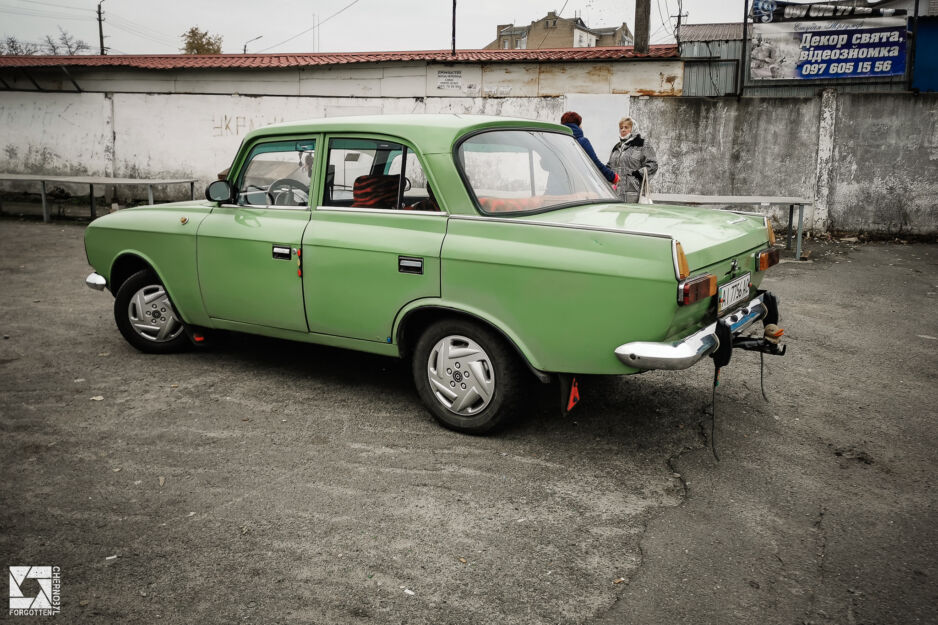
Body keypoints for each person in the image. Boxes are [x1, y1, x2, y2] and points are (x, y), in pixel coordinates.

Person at [560, 111, 619, 188]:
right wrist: (613, 177)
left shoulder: (557, 141)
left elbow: (545, 164)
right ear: (578, 125)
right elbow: (594, 163)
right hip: (575, 186)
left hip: (557, 185)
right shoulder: (582, 141)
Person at [607, 116, 658, 203]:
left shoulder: (642, 145)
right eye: (621, 128)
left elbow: (653, 164)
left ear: (633, 128)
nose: (623, 130)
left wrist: (638, 174)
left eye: (626, 127)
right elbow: (609, 166)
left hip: (634, 192)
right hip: (615, 192)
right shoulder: (617, 147)